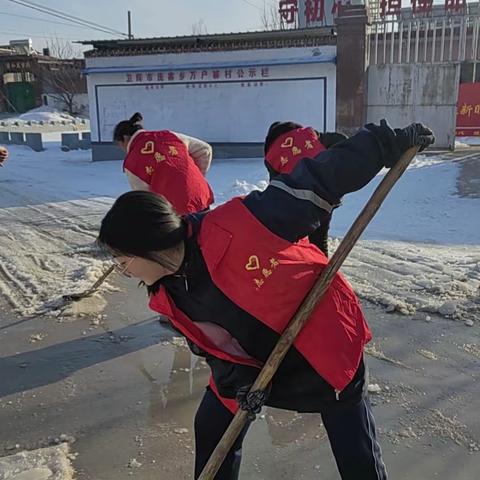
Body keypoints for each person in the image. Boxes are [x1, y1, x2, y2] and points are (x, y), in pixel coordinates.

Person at [98, 120, 434, 480]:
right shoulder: (168, 294)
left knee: (353, 446)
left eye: (122, 260)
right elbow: (215, 350)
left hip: (318, 337)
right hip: (257, 361)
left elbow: (317, 180)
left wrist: (385, 143)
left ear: (149, 247)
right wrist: (241, 383)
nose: (124, 272)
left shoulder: (240, 223)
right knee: (212, 425)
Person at [264, 121, 347, 256]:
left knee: (288, 241)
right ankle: (322, 271)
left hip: (298, 201)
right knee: (319, 239)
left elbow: (276, 190)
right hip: (327, 192)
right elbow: (341, 139)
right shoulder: (310, 135)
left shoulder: (272, 155)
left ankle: (298, 267)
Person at [113, 112, 214, 215]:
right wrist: (195, 177)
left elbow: (145, 199)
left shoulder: (132, 163)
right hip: (201, 195)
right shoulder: (169, 135)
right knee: (206, 229)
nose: (122, 149)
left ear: (125, 138)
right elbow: (205, 150)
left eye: (119, 145)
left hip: (175, 209)